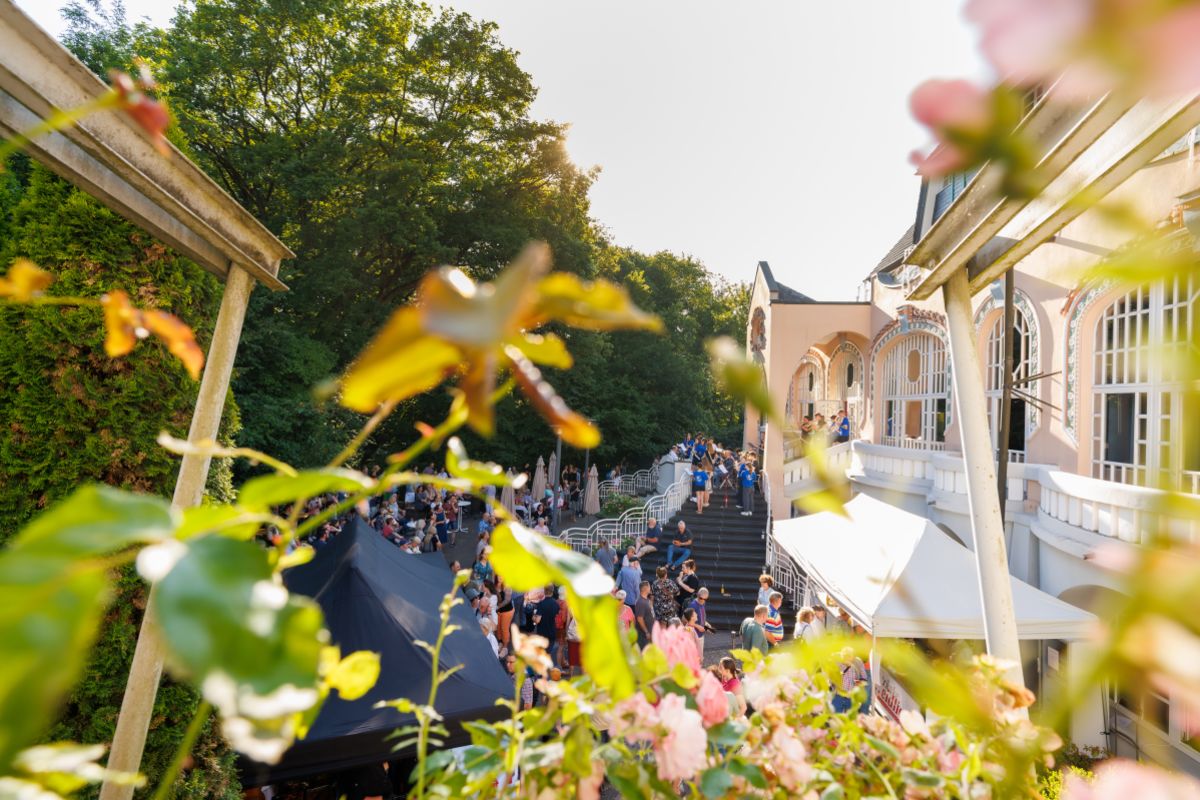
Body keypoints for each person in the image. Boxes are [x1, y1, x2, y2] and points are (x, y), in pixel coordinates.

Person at [533, 585, 560, 664]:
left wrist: (533, 617)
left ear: (544, 591)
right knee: (548, 652)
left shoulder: (541, 604)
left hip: (542, 633)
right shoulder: (556, 604)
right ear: (553, 591)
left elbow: (537, 620)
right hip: (552, 632)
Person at [687, 587, 714, 656]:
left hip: (700, 635)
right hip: (694, 635)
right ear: (698, 595)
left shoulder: (703, 603)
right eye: (701, 598)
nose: (703, 601)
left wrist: (706, 624)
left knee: (699, 656)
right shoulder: (693, 605)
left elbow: (701, 617)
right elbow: (687, 621)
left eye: (705, 599)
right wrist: (698, 626)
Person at [634, 581, 655, 649]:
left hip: (649, 632)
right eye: (649, 586)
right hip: (643, 636)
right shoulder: (640, 602)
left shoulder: (646, 600)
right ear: (645, 588)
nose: (650, 588)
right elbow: (640, 619)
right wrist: (646, 632)